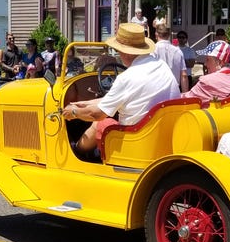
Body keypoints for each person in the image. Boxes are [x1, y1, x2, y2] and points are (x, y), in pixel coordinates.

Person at [61, 22, 179, 160]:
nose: (118, 54)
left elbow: (97, 114)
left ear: (126, 52)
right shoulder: (160, 64)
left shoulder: (126, 78)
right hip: (162, 134)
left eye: (118, 50)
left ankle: (76, 152)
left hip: (136, 139)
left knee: (99, 123)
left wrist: (73, 112)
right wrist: (83, 103)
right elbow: (117, 99)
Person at [184, 41, 230, 105]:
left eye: (208, 60)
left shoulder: (207, 82)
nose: (205, 64)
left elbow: (185, 100)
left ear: (220, 62)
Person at [152, 24, 189, 91]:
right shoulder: (178, 51)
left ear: (156, 34)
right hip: (174, 90)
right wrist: (185, 94)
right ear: (169, 35)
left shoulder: (152, 50)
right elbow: (184, 75)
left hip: (157, 90)